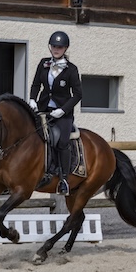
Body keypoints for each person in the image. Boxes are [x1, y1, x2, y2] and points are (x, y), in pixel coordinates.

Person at [28, 30, 82, 195]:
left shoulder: (71, 69)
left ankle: (64, 179)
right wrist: (32, 99)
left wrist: (63, 110)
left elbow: (78, 95)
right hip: (43, 108)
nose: (56, 49)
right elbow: (36, 84)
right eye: (54, 46)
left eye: (59, 47)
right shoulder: (44, 63)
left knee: (62, 141)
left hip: (62, 113)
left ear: (65, 48)